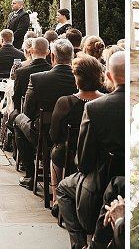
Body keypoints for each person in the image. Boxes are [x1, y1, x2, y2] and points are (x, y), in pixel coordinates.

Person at [57, 50, 126, 248]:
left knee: (63, 187)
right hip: (125, 183)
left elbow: (84, 161)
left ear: (109, 76)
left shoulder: (95, 108)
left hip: (97, 186)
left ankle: (79, 244)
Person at [15, 38, 78, 190]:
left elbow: (28, 112)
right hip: (74, 133)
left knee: (18, 119)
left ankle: (30, 174)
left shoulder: (38, 79)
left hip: (43, 133)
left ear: (53, 57)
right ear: (72, 57)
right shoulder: (79, 79)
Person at [49, 54, 104, 213]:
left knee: (56, 153)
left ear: (77, 78)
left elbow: (54, 134)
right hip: (99, 158)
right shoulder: (105, 101)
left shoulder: (65, 102)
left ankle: (56, 200)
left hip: (69, 153)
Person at [10, 36, 52, 126]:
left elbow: (16, 97)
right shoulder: (52, 71)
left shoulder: (21, 72)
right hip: (51, 118)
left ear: (31, 50)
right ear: (48, 52)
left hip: (29, 118)